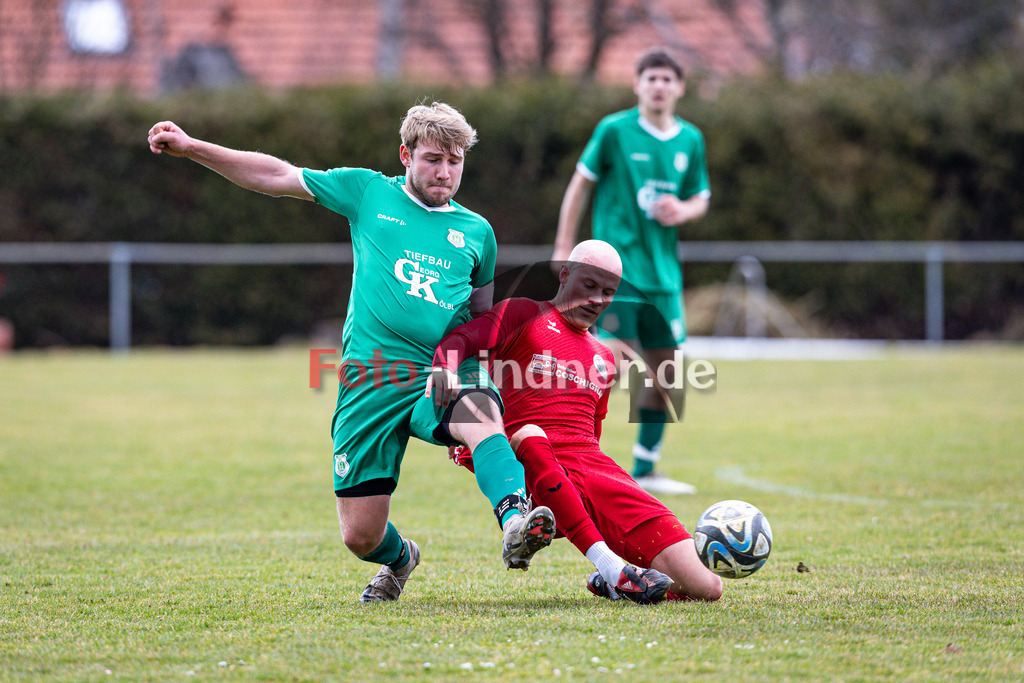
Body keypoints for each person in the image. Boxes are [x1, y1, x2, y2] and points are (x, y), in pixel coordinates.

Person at [147, 102, 555, 603]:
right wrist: (192, 148)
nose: (444, 173)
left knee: (480, 412)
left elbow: (480, 320)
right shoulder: (367, 191)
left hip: (443, 370)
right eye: (432, 159)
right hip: (372, 378)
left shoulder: (477, 232)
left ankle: (516, 520)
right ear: (405, 154)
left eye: (455, 162)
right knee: (360, 536)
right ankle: (401, 557)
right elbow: (276, 174)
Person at [431, 240, 722, 603]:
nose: (597, 298)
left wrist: (568, 510)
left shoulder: (604, 358)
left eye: (608, 292)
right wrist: (444, 367)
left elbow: (592, 442)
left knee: (707, 588)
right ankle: (612, 567)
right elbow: (462, 338)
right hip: (528, 463)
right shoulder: (522, 313)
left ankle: (612, 585)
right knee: (532, 433)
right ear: (565, 274)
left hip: (588, 472)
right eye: (589, 285)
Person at [552, 46, 711, 496]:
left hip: (663, 277)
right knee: (609, 362)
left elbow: (701, 197)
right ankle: (565, 450)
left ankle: (645, 468)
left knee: (667, 373)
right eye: (651, 78)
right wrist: (565, 246)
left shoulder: (690, 140)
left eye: (667, 79)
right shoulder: (615, 131)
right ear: (637, 85)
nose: (659, 86)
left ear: (679, 88)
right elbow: (580, 183)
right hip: (616, 273)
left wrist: (683, 208)